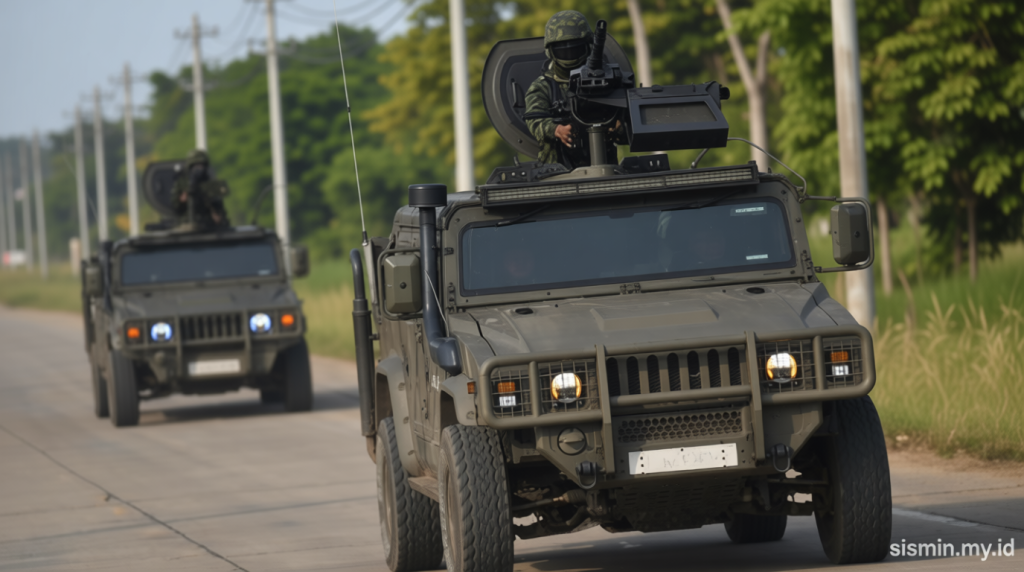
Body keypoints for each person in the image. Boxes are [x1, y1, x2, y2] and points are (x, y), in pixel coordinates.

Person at [524, 10, 626, 169]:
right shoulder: (543, 86)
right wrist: (557, 130)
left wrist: (617, 127)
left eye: (575, 48)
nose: (569, 54)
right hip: (558, 172)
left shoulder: (607, 81)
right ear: (550, 51)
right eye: (561, 50)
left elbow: (627, 122)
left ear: (589, 46)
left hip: (605, 171)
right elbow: (534, 120)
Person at [174, 149, 230, 229]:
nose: (198, 169)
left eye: (201, 165)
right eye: (195, 166)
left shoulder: (211, 184)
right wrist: (186, 194)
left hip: (209, 224)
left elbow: (218, 207)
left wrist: (216, 213)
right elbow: (176, 206)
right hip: (187, 223)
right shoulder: (182, 183)